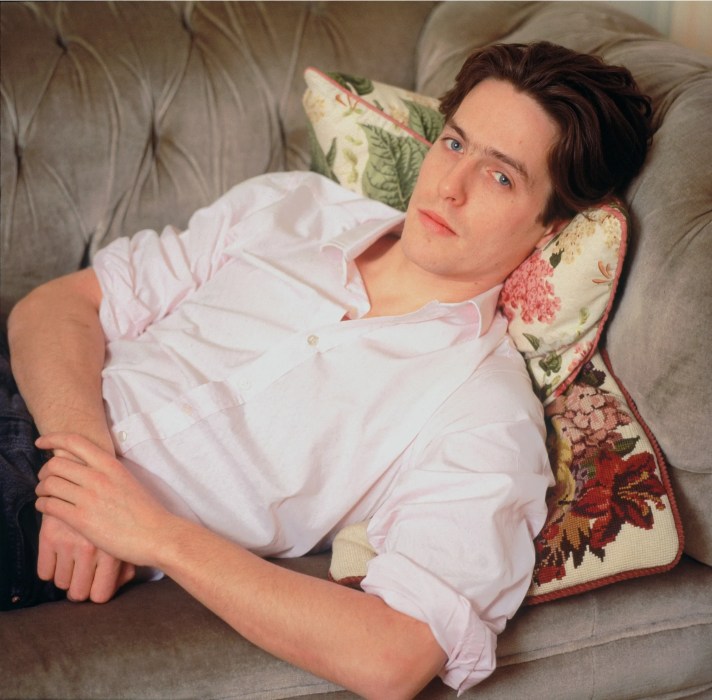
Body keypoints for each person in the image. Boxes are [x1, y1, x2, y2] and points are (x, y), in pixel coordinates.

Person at [2, 41, 651, 697]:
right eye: (454, 144)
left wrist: (154, 535)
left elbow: (397, 654)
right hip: (43, 397)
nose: (449, 186)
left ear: (552, 228)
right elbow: (53, 306)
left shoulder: (483, 413)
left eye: (501, 177)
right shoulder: (295, 205)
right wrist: (77, 466)